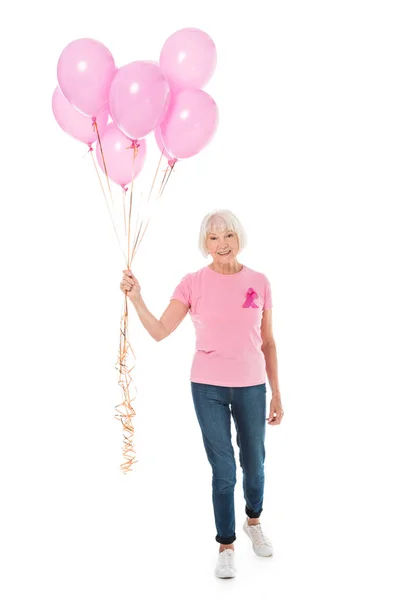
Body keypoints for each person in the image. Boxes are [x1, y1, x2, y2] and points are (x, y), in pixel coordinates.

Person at [120, 209, 283, 579]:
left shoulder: (260, 280)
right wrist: (137, 297)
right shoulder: (192, 282)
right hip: (207, 385)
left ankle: (253, 521)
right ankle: (226, 545)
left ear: (238, 236)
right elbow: (161, 330)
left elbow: (269, 342)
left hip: (252, 384)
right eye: (213, 238)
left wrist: (276, 394)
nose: (222, 244)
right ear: (204, 244)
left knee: (254, 463)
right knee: (223, 468)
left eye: (228, 235)